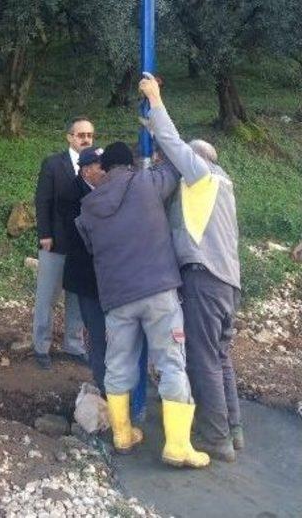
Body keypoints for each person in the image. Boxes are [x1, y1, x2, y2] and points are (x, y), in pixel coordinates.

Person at [75, 141, 210, 468]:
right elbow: (178, 165)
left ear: (104, 169)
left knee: (118, 364)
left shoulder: (88, 207)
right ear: (131, 163)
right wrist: (159, 143)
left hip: (118, 299)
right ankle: (177, 446)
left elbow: (91, 246)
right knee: (170, 363)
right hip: (158, 290)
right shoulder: (147, 183)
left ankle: (123, 435)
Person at [140, 72, 243, 462]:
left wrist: (156, 101)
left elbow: (173, 144)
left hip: (205, 280)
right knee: (219, 356)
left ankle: (215, 439)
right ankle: (234, 429)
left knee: (201, 359)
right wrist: (148, 124)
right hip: (226, 284)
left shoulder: (202, 176)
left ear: (197, 161)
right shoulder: (222, 186)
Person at [33, 117, 94, 369]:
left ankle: (74, 345)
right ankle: (41, 346)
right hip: (55, 241)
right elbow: (42, 200)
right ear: (69, 137)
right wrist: (44, 234)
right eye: (81, 135)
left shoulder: (95, 166)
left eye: (90, 135)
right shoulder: (53, 164)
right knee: (47, 296)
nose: (86, 139)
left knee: (77, 298)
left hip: (82, 245)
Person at [62, 146, 107, 395]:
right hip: (84, 270)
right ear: (87, 170)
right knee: (91, 323)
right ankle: (100, 374)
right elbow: (76, 233)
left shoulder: (101, 190)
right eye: (101, 168)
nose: (104, 172)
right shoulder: (72, 192)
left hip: (102, 272)